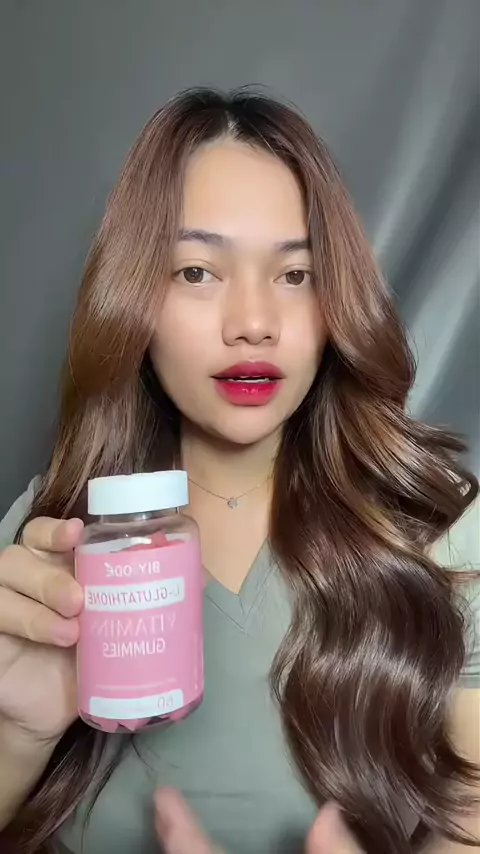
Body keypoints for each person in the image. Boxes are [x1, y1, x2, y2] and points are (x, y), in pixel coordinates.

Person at [0, 87, 478, 854]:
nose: (252, 322)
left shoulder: (439, 525)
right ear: (134, 298)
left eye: (296, 274)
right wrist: (17, 739)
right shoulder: (47, 538)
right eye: (197, 272)